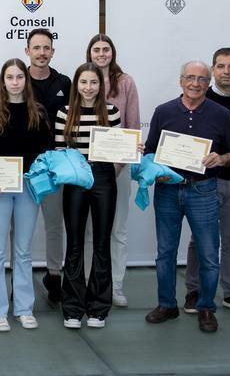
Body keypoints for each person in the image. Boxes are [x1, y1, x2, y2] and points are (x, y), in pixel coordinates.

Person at [144, 61, 230, 333]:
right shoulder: (163, 111)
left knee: (209, 254)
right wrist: (155, 170)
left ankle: (206, 308)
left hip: (204, 190)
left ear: (208, 83)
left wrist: (221, 158)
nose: (195, 83)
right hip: (167, 190)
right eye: (190, 78)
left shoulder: (221, 113)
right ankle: (167, 305)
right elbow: (150, 150)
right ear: (180, 80)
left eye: (201, 79)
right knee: (165, 254)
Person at [183, 48, 230, 316]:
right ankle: (194, 291)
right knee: (199, 240)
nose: (226, 71)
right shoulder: (200, 100)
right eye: (220, 66)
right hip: (205, 183)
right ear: (213, 70)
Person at [0, 58, 53, 332]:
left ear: (26, 80)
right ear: (3, 81)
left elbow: (46, 152)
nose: (14, 82)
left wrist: (35, 177)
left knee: (22, 251)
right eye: (9, 77)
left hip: (28, 188)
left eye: (19, 77)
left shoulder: (39, 112)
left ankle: (23, 308)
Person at [55, 63, 127, 329]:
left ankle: (98, 308)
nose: (88, 88)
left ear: (101, 85)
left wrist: (130, 150)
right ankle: (72, 308)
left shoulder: (111, 112)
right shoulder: (65, 113)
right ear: (76, 85)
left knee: (101, 244)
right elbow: (59, 151)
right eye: (83, 82)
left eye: (93, 83)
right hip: (75, 179)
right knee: (74, 245)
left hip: (104, 178)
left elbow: (119, 150)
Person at [84, 34, 140, 307]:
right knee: (89, 231)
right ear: (90, 53)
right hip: (87, 171)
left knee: (117, 230)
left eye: (106, 49)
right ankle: (86, 282)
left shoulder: (126, 82)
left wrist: (118, 166)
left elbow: (132, 126)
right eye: (97, 49)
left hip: (118, 169)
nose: (102, 54)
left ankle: (115, 286)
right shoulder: (83, 80)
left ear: (113, 52)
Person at [25, 28, 71, 304]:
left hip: (54, 166)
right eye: (37, 47)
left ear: (52, 52)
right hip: (25, 167)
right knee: (20, 227)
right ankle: (19, 278)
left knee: (54, 225)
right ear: (27, 51)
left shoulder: (64, 81)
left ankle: (54, 276)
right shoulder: (17, 78)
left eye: (46, 48)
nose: (42, 53)